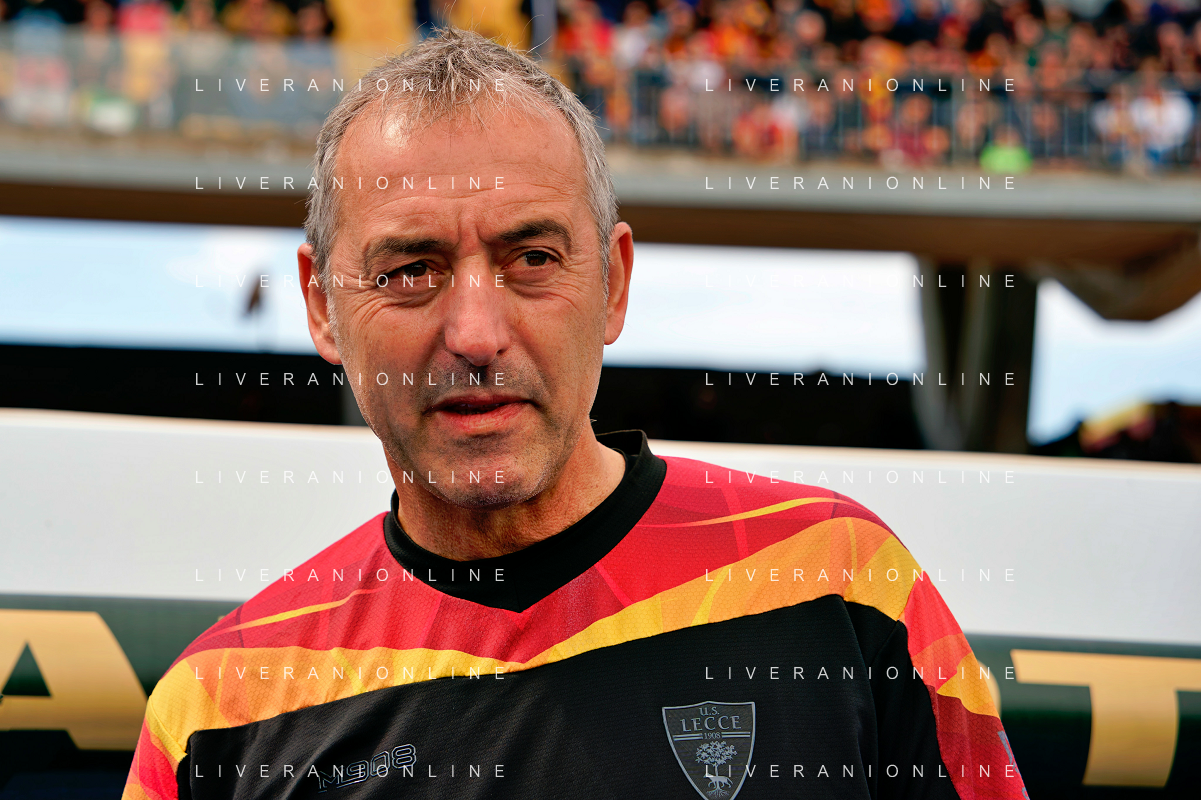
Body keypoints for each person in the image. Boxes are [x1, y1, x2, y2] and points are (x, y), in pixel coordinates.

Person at [122, 26, 1028, 800]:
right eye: (410, 270)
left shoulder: (840, 584)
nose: (476, 335)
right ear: (322, 306)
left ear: (614, 284)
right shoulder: (216, 714)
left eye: (532, 260)